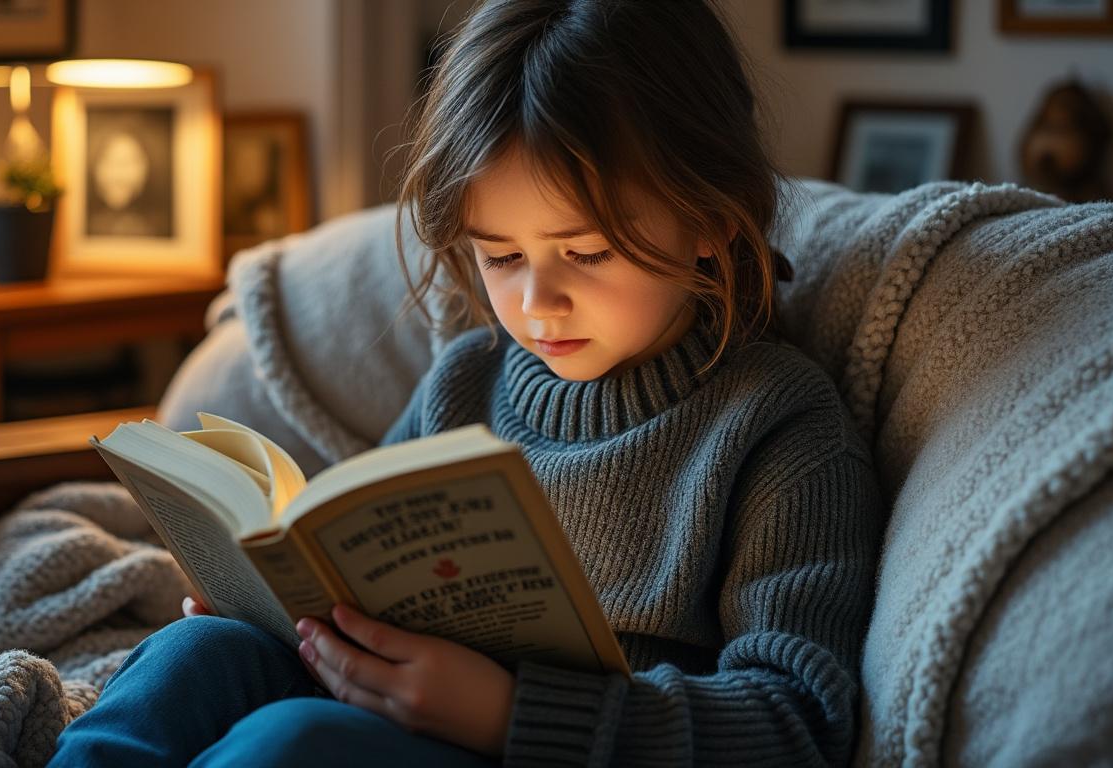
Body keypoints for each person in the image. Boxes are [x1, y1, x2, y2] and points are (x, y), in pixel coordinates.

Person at [49, 1, 883, 765]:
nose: (536, 302)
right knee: (194, 657)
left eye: (586, 253)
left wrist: (509, 711)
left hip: (551, 751)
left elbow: (797, 720)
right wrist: (265, 600)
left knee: (291, 742)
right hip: (381, 714)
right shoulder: (467, 380)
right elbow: (354, 564)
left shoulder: (778, 427)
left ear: (709, 218)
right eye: (501, 256)